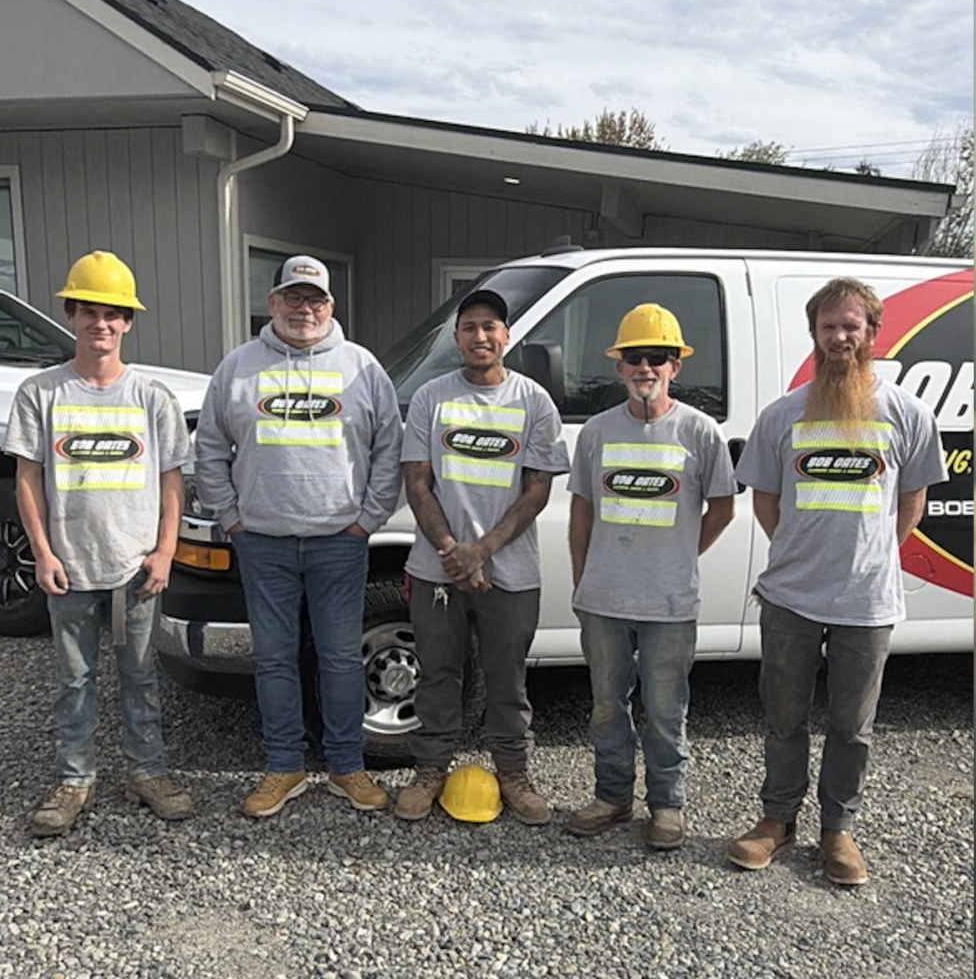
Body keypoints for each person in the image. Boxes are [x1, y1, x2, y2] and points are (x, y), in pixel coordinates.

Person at [727, 277, 948, 886]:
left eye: (852, 326)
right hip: (790, 598)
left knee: (852, 725)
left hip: (867, 602)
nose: (840, 337)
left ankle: (837, 829)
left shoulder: (906, 412)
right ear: (814, 335)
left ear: (872, 333)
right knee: (783, 716)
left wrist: (871, 556)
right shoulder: (783, 414)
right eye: (829, 328)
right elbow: (766, 501)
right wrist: (802, 554)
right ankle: (776, 820)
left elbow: (912, 503)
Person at [195, 254, 402, 818]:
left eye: (315, 299)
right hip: (263, 542)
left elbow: (391, 448)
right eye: (293, 297)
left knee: (338, 658)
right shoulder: (238, 368)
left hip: (340, 540)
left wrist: (369, 519)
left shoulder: (362, 368)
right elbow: (209, 449)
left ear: (331, 307)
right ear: (273, 303)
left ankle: (345, 768)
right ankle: (283, 767)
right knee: (274, 660)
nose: (304, 309)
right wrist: (232, 519)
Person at [3, 250, 195, 837]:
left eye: (113, 314)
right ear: (72, 316)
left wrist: (165, 552)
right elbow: (27, 479)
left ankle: (148, 773)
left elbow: (171, 482)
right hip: (70, 564)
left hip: (136, 565)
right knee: (73, 679)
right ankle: (74, 780)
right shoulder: (42, 393)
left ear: (128, 322)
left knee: (140, 675)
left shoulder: (152, 398)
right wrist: (42, 551)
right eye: (89, 312)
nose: (101, 325)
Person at [394, 289, 570, 825]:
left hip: (510, 573)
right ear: (457, 338)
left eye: (490, 326)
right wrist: (452, 552)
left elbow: (537, 490)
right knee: (437, 673)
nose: (480, 336)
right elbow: (417, 484)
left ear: (507, 336)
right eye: (469, 327)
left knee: (507, 678)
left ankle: (514, 774)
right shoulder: (431, 398)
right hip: (436, 571)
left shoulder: (534, 401)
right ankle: (429, 770)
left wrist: (483, 552)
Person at [564, 304, 736, 848]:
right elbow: (581, 513)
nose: (646, 368)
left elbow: (723, 508)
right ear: (619, 368)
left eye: (657, 358)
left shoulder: (700, 432)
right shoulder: (595, 432)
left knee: (666, 712)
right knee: (607, 707)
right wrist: (582, 582)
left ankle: (667, 806)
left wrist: (683, 555)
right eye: (635, 358)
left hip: (668, 604)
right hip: (604, 600)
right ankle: (612, 798)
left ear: (675, 367)